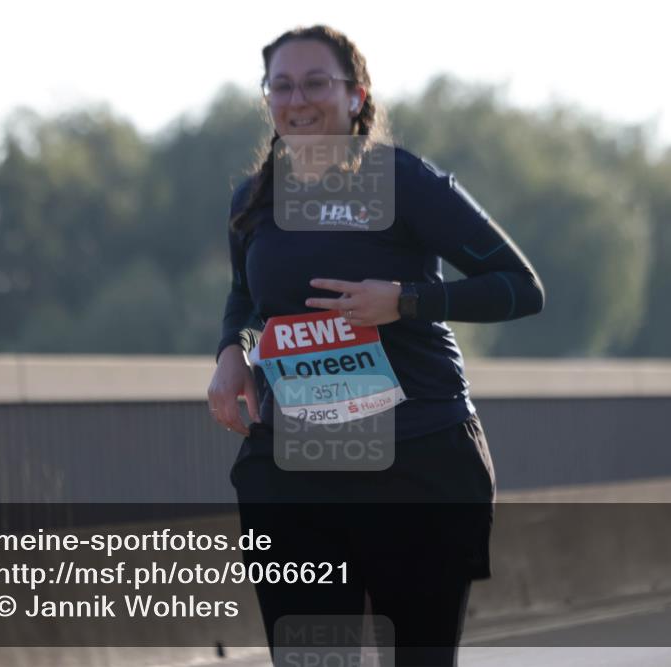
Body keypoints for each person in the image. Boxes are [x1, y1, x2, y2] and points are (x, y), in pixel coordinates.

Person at [207, 25, 544, 667]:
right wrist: (230, 353)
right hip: (294, 466)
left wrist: (405, 300)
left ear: (356, 95)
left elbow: (520, 288)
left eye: (316, 83)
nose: (297, 98)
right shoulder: (253, 200)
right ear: (267, 98)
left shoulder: (402, 180)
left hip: (415, 460)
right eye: (281, 85)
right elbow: (245, 298)